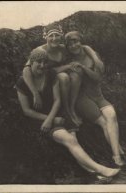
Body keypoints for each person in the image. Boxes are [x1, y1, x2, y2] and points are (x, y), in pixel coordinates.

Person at [15, 48, 120, 178]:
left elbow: (57, 100)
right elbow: (27, 111)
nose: (42, 65)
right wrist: (49, 120)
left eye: (44, 62)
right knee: (69, 139)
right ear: (31, 63)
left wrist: (54, 117)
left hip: (57, 113)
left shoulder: (50, 75)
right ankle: (102, 170)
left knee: (73, 141)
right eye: (38, 62)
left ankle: (93, 172)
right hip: (40, 120)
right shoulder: (22, 83)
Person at [64, 31, 125, 166]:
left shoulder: (91, 54)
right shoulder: (69, 60)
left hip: (98, 95)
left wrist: (85, 67)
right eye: (70, 44)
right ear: (67, 47)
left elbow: (98, 77)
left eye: (75, 41)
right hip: (82, 98)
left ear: (81, 41)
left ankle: (118, 150)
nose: (73, 45)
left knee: (111, 115)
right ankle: (117, 156)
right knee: (104, 122)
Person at [22, 23, 101, 126]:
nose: (54, 38)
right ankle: (67, 112)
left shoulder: (63, 48)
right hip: (48, 83)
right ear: (46, 37)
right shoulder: (41, 50)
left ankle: (72, 108)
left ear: (61, 36)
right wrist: (35, 93)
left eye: (57, 35)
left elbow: (83, 47)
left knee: (76, 73)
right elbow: (26, 70)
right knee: (63, 77)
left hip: (63, 81)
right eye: (51, 36)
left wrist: (95, 58)